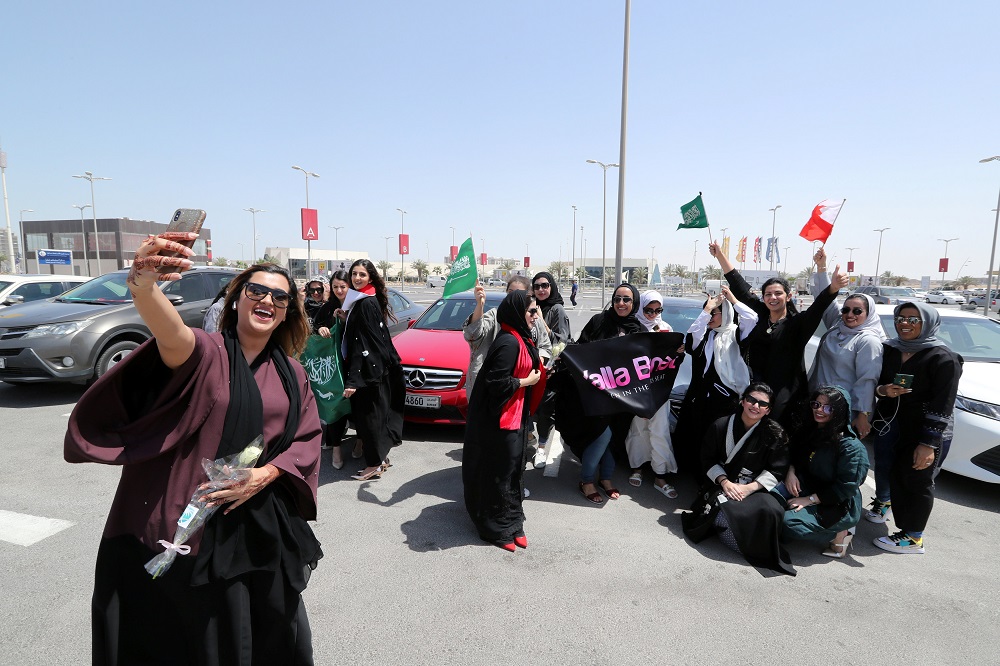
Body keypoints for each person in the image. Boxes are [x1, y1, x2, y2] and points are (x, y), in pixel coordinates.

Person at [64, 234, 323, 663]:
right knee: (189, 642)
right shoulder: (204, 352)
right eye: (255, 290)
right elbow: (168, 329)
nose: (267, 300)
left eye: (280, 298)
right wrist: (144, 283)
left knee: (269, 634)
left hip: (257, 528)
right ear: (235, 300)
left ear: (286, 314)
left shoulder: (293, 374)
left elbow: (307, 438)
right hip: (189, 531)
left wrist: (268, 474)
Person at [709, 241, 847, 424]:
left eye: (778, 293)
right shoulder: (760, 314)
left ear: (788, 296)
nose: (772, 298)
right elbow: (739, 286)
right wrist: (720, 256)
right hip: (755, 394)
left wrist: (833, 288)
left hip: (786, 399)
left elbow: (818, 306)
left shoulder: (797, 324)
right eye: (768, 294)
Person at [865, 302, 962, 554]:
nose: (904, 323)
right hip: (891, 424)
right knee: (892, 472)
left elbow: (944, 403)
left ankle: (913, 537)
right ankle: (886, 506)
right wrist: (882, 391)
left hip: (923, 431)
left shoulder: (943, 358)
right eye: (901, 318)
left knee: (917, 480)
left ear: (928, 323)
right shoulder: (890, 349)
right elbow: (876, 382)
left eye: (913, 319)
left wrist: (928, 444)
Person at [681, 383, 794, 576]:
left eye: (762, 404)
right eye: (751, 400)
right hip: (722, 483)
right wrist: (725, 482)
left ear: (768, 410)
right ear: (743, 401)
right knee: (725, 512)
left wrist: (749, 488)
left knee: (772, 510)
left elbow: (777, 469)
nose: (755, 406)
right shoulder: (721, 425)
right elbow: (706, 458)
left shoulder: (775, 434)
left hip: (754, 486)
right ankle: (741, 540)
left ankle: (750, 542)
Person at [462, 290, 543, 551]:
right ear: (518, 312)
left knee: (513, 471)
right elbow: (496, 383)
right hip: (499, 420)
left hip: (515, 415)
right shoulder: (509, 342)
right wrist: (525, 381)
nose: (535, 315)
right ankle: (495, 527)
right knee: (500, 472)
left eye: (536, 310)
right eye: (531, 311)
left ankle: (513, 522)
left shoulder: (522, 337)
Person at [569, 282, 646, 502]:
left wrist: (674, 351)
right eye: (617, 299)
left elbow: (648, 362)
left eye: (626, 299)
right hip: (597, 394)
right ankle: (587, 480)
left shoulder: (638, 330)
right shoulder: (599, 321)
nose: (621, 304)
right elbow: (581, 347)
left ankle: (607, 478)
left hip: (625, 397)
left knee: (616, 436)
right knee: (602, 435)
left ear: (635, 302)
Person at [776, 387, 870, 558]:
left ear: (840, 411)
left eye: (828, 407)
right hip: (806, 484)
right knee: (768, 501)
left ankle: (839, 534)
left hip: (835, 502)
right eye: (816, 404)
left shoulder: (851, 448)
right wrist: (791, 471)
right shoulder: (811, 429)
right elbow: (794, 454)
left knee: (786, 523)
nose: (819, 410)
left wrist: (808, 500)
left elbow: (845, 489)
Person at [672, 286, 757, 476]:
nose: (710, 317)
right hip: (699, 397)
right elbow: (692, 335)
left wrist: (733, 300)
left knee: (716, 441)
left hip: (725, 400)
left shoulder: (736, 334)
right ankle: (689, 473)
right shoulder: (704, 335)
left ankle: (712, 479)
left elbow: (752, 318)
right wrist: (707, 310)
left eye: (715, 312)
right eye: (708, 312)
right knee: (692, 437)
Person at [810, 248, 885, 438]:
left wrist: (863, 415)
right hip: (819, 404)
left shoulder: (868, 340)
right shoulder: (838, 325)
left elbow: (867, 381)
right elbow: (824, 300)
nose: (850, 315)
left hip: (843, 408)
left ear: (868, 314)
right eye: (846, 310)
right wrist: (822, 268)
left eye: (857, 311)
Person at [342, 259, 406, 481]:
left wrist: (353, 380)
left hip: (370, 374)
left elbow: (364, 344)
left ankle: (373, 465)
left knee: (369, 421)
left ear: (370, 277)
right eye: (354, 274)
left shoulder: (366, 303)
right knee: (376, 418)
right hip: (375, 371)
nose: (357, 278)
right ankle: (381, 460)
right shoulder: (364, 301)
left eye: (361, 275)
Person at [624, 290, 680, 497]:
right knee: (638, 429)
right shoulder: (633, 327)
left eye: (658, 310)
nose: (652, 314)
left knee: (660, 431)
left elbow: (672, 359)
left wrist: (677, 350)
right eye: (648, 310)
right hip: (637, 389)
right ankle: (637, 468)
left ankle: (660, 475)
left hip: (660, 389)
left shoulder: (666, 328)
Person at [463, 275, 552, 401]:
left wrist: (537, 364)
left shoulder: (533, 319)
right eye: (511, 292)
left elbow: (545, 346)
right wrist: (480, 305)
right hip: (492, 392)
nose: (514, 297)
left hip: (522, 390)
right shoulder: (496, 317)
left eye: (519, 293)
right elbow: (473, 334)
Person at [530, 271, 572, 468]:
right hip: (530, 368)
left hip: (550, 371)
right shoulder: (530, 306)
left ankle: (541, 448)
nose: (540, 289)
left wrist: (541, 321)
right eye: (537, 286)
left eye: (544, 285)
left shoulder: (557, 310)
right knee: (528, 409)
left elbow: (562, 342)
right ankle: (529, 439)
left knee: (546, 412)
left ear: (552, 286)